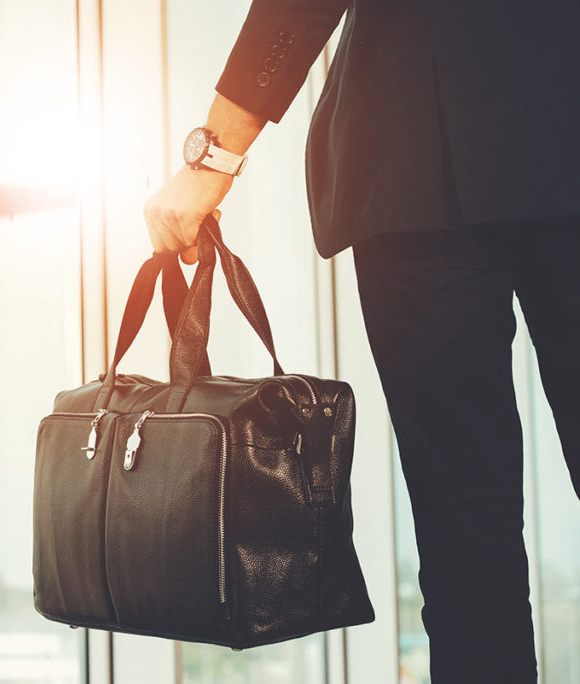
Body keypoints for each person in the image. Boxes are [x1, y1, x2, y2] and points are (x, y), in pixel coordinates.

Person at [142, 1, 580, 682]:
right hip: (473, 137)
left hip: (419, 152)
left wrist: (214, 157)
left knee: (466, 529)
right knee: (466, 532)